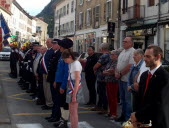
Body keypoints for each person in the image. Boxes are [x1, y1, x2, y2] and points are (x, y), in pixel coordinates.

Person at [130, 45, 169, 128]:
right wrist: (136, 116)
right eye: (144, 56)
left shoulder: (165, 77)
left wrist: (138, 115)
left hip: (158, 122)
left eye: (148, 56)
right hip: (142, 121)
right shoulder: (144, 76)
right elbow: (140, 98)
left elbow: (159, 103)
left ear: (158, 57)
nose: (144, 59)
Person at [53, 38, 73, 128]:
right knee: (60, 102)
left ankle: (64, 121)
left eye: (60, 45)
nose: (59, 47)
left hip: (63, 83)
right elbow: (59, 70)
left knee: (65, 104)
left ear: (63, 47)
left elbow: (67, 73)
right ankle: (61, 119)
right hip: (59, 81)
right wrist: (56, 81)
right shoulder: (62, 55)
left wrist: (63, 86)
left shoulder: (67, 56)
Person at [115, 37, 135, 122]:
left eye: (126, 42)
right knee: (122, 99)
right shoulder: (123, 51)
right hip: (121, 79)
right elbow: (118, 63)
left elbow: (130, 66)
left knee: (128, 101)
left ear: (131, 43)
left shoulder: (133, 52)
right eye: (123, 41)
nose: (124, 43)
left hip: (127, 80)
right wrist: (116, 72)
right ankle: (123, 116)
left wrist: (120, 74)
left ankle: (128, 118)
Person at [62, 49, 82, 128]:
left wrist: (74, 95)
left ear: (70, 57)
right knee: (71, 111)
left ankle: (74, 126)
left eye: (65, 59)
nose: (65, 61)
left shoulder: (76, 64)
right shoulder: (72, 63)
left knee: (73, 112)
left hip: (75, 87)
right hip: (71, 86)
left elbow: (77, 79)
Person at [45, 39, 61, 122]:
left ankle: (56, 116)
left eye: (54, 44)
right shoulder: (55, 53)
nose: (53, 45)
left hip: (55, 80)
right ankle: (53, 115)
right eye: (53, 44)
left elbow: (57, 69)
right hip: (52, 78)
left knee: (56, 99)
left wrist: (55, 80)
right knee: (54, 99)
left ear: (58, 45)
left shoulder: (59, 54)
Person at [103, 50, 121, 120]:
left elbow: (112, 71)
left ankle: (114, 113)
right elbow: (106, 69)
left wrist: (107, 72)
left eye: (113, 54)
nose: (111, 56)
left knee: (113, 97)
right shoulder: (110, 61)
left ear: (117, 55)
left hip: (113, 81)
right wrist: (107, 71)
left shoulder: (117, 62)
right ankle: (110, 111)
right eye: (111, 54)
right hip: (108, 80)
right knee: (109, 97)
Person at [93, 43, 110, 114]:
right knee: (100, 92)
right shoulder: (109, 55)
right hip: (104, 75)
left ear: (102, 48)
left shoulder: (104, 56)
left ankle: (104, 107)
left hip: (102, 76)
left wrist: (94, 68)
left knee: (101, 92)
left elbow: (97, 65)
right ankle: (99, 105)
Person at [40, 38, 55, 110]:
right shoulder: (48, 51)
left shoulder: (52, 51)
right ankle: (47, 102)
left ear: (52, 43)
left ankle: (49, 103)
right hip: (44, 73)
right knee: (45, 89)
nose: (47, 43)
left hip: (47, 73)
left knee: (48, 89)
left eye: (48, 42)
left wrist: (47, 71)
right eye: (46, 42)